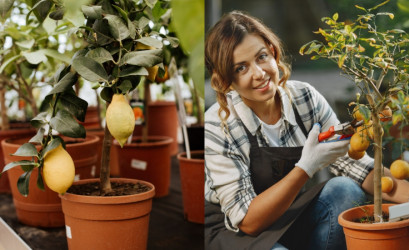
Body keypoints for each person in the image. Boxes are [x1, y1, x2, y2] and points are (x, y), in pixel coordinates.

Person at [204, 11, 409, 250]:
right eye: (241, 68)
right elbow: (248, 222)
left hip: (288, 217)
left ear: (273, 51)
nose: (259, 73)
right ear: (227, 80)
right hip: (234, 233)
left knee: (344, 190)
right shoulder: (220, 124)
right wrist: (306, 166)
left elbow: (357, 166)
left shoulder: (304, 99)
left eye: (261, 57)